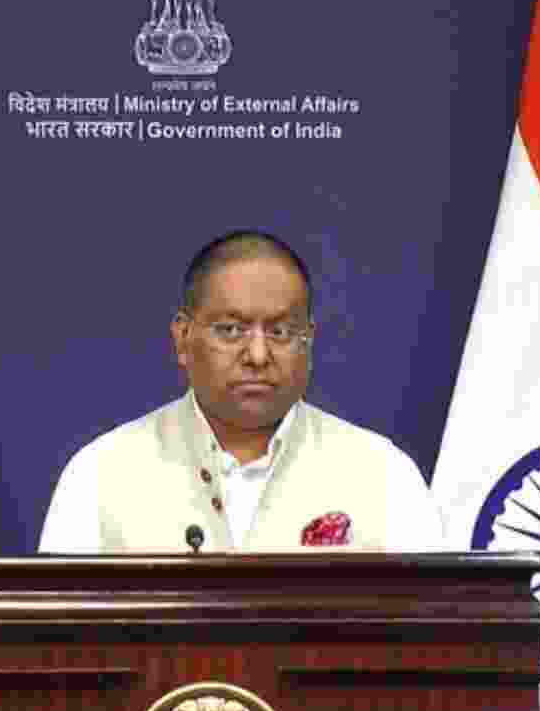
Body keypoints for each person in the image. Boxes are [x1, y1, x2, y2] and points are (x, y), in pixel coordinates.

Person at [37, 231, 442, 553]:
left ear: (309, 340)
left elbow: (431, 637)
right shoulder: (100, 476)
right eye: (230, 330)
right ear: (182, 338)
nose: (258, 355)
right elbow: (60, 646)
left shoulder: (384, 475)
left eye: (281, 332)